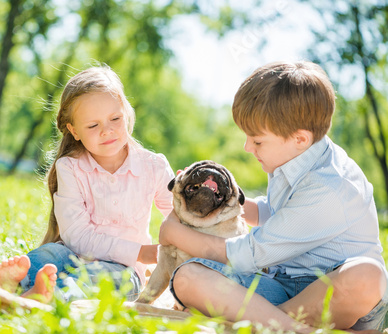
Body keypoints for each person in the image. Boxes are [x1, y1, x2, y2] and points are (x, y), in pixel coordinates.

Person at [159, 61, 388, 332]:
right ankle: (281, 323)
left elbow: (249, 253)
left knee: (366, 277)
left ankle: (269, 322)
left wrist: (174, 233)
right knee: (187, 278)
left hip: (334, 294)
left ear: (300, 138)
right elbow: (279, 212)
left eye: (257, 141)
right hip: (283, 287)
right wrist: (225, 202)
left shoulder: (331, 186)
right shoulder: (293, 155)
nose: (247, 147)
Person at [0, 65, 174, 303]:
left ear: (127, 113)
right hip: (72, 252)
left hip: (125, 269)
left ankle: (49, 295)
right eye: (93, 125)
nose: (107, 130)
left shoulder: (153, 166)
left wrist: (187, 202)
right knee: (49, 255)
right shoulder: (71, 167)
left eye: (115, 118)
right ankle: (6, 282)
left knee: (95, 279)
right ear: (74, 130)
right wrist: (141, 251)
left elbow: (179, 216)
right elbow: (77, 235)